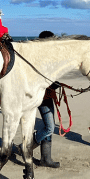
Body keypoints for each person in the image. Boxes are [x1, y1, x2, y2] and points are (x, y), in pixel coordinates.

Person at [32, 30, 61, 168]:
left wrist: (54, 83)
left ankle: (45, 159)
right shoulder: (38, 57)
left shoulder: (48, 56)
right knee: (50, 127)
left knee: (48, 126)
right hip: (41, 95)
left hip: (48, 95)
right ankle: (27, 147)